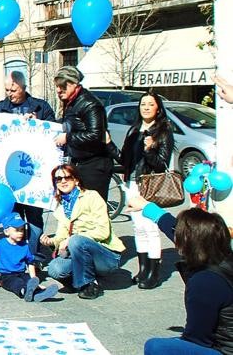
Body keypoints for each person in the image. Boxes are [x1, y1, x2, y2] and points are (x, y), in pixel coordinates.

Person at [134, 203, 233, 354]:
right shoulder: (222, 253)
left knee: (156, 347)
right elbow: (178, 229)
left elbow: (199, 338)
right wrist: (149, 208)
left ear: (186, 243)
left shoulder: (205, 281)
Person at [0, 71, 57, 264]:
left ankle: (32, 257)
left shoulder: (41, 107)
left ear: (23, 87)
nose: (10, 93)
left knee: (33, 219)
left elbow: (55, 132)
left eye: (13, 90)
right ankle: (14, 258)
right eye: (7, 90)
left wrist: (39, 123)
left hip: (34, 177)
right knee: (13, 218)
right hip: (8, 177)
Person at [115, 91, 174, 290]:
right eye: (143, 104)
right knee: (137, 227)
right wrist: (108, 145)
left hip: (149, 184)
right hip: (132, 183)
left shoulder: (163, 131)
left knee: (150, 226)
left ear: (158, 108)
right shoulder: (134, 130)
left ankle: (153, 272)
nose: (146, 107)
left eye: (150, 104)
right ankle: (142, 269)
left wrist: (150, 150)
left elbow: (161, 164)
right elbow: (124, 159)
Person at [40, 164, 124, 300]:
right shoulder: (62, 205)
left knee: (76, 240)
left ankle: (88, 285)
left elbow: (103, 231)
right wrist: (52, 241)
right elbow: (62, 234)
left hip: (106, 255)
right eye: (58, 179)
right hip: (80, 253)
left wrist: (71, 239)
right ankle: (80, 281)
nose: (63, 181)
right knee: (54, 269)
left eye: (67, 177)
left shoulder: (92, 196)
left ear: (76, 180)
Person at [53, 66, 113, 201]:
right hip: (79, 163)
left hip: (94, 165)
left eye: (62, 86)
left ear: (74, 84)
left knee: (93, 211)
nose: (58, 90)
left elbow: (96, 135)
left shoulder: (90, 104)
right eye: (57, 86)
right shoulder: (71, 102)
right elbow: (67, 126)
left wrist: (68, 138)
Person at [0, 215, 60, 302]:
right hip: (6, 276)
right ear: (7, 231)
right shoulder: (0, 245)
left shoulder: (25, 246)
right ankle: (27, 292)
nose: (20, 233)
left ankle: (37, 292)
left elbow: (30, 262)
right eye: (17, 230)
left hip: (21, 273)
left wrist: (34, 279)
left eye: (22, 229)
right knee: (17, 283)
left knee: (28, 280)